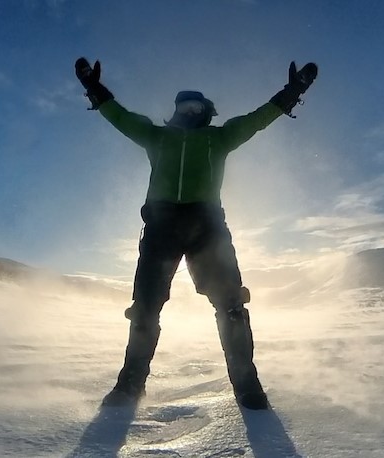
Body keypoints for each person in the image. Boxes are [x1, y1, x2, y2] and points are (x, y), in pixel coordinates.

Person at [75, 57, 317, 410]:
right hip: (161, 228)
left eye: (196, 106)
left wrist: (293, 91)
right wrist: (94, 88)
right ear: (175, 110)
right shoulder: (156, 137)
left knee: (231, 305)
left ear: (206, 111)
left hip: (208, 229)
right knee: (145, 309)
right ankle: (129, 386)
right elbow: (120, 117)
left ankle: (247, 386)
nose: (189, 111)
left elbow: (257, 119)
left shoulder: (218, 139)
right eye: (183, 106)